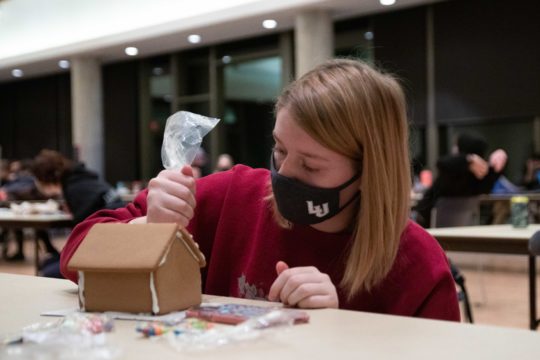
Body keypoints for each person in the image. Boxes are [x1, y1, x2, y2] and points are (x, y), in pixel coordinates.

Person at [60, 59, 459, 321]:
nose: (283, 173)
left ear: (369, 172)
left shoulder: (416, 265)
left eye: (310, 164)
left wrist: (341, 332)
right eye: (279, 149)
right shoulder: (230, 194)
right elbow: (74, 255)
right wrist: (148, 230)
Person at [31, 149, 124, 277]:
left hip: (106, 246)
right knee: (50, 263)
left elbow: (82, 236)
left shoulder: (75, 188)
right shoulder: (82, 178)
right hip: (114, 237)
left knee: (49, 270)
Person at [413, 132, 507, 228]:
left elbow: (442, 162)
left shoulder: (451, 174)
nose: (454, 149)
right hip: (461, 230)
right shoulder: (482, 181)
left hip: (428, 226)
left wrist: (468, 160)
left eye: (456, 146)